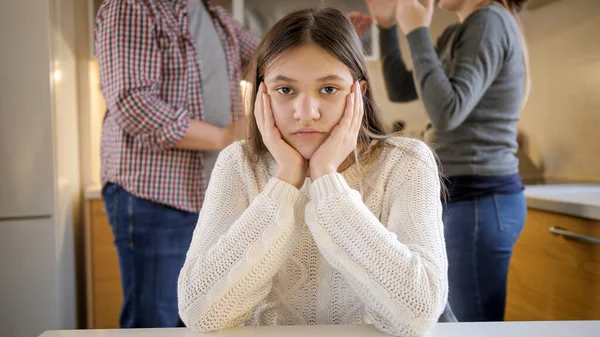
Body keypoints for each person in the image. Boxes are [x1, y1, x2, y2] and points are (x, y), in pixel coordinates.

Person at [177, 7, 448, 337]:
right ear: (263, 95)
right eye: (286, 90)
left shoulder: (407, 162)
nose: (306, 114)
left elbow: (418, 314)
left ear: (357, 94)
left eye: (328, 89)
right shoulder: (238, 163)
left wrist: (327, 180)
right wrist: (286, 181)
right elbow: (199, 313)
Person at [95, 0, 259, 328]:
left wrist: (323, 40)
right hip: (153, 197)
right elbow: (132, 102)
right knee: (156, 322)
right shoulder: (131, 7)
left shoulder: (213, 15)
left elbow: (270, 56)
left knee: (201, 318)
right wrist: (222, 136)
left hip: (207, 197)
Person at [363, 0, 531, 322]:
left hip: (478, 200)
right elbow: (401, 89)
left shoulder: (488, 21)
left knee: (471, 326)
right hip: (468, 199)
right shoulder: (461, 31)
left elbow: (447, 112)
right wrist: (386, 27)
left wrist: (416, 30)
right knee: (457, 323)